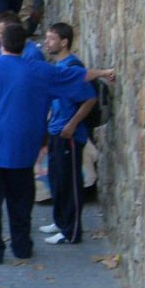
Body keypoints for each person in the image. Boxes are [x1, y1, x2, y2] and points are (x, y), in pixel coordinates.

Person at [0, 23, 114, 264]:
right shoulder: (39, 70)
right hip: (22, 148)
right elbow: (77, 76)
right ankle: (21, 246)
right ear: (25, 45)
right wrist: (104, 72)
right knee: (20, 201)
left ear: (1, 43)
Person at [41, 23, 98, 246]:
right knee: (56, 178)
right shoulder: (59, 65)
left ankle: (71, 231)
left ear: (64, 42)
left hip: (69, 135)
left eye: (51, 39)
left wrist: (72, 125)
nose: (47, 43)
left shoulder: (72, 68)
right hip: (56, 130)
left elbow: (89, 98)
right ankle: (60, 220)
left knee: (70, 181)